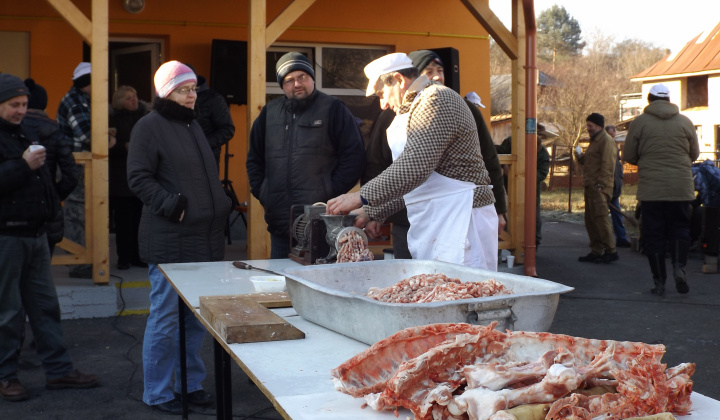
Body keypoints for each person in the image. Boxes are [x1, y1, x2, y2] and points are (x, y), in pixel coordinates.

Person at [327, 53, 498, 270]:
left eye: (382, 93)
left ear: (398, 80)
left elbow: (416, 166)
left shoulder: (436, 99)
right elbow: (420, 187)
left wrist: (361, 196)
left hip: (463, 218)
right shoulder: (411, 110)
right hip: (439, 218)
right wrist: (372, 212)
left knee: (466, 295)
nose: (382, 104)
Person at [127, 61, 232, 414]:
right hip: (171, 240)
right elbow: (139, 179)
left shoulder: (193, 125)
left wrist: (221, 202)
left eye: (193, 90)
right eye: (184, 90)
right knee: (166, 319)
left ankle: (189, 385)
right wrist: (175, 208)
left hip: (204, 241)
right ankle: (158, 392)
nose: (191, 96)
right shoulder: (148, 126)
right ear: (166, 92)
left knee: (195, 320)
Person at [0, 73, 99, 403]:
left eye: (24, 104)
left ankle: (58, 371)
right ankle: (6, 377)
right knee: (8, 312)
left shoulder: (25, 132)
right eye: (14, 105)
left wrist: (48, 202)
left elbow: (53, 180)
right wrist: (23, 165)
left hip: (36, 235)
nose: (21, 110)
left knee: (45, 307)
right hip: (7, 237)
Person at [246, 52, 366, 258]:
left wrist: (330, 191)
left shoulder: (333, 109)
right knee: (281, 284)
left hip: (322, 221)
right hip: (280, 223)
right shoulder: (269, 114)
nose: (297, 84)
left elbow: (354, 157)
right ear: (282, 85)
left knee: (320, 283)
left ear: (312, 78)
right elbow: (254, 160)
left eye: (302, 77)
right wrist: (263, 192)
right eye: (289, 80)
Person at [624, 83, 699, 296]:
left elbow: (629, 155)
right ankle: (678, 267)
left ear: (649, 99)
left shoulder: (639, 123)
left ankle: (659, 283)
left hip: (652, 190)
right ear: (668, 100)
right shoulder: (685, 122)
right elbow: (694, 154)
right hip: (681, 187)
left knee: (653, 234)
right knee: (680, 229)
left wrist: (647, 159)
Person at [22, 78, 78, 254]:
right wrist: (53, 195)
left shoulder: (10, 129)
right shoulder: (53, 129)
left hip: (13, 211)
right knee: (42, 271)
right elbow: (71, 174)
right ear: (44, 105)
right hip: (45, 209)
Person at [56, 62, 93, 278]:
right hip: (75, 165)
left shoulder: (80, 99)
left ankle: (82, 259)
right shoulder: (75, 102)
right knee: (77, 213)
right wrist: (107, 137)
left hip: (77, 165)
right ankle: (79, 263)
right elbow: (87, 135)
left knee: (80, 212)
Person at [109, 86, 149, 270]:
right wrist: (123, 147)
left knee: (140, 221)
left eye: (135, 96)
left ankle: (138, 256)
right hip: (120, 177)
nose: (134, 100)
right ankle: (124, 258)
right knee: (124, 222)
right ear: (119, 101)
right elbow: (105, 147)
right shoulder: (112, 119)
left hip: (142, 177)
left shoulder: (145, 118)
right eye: (128, 98)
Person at [496, 124, 551, 246]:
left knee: (532, 213)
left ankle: (534, 241)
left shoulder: (542, 152)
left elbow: (542, 172)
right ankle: (509, 240)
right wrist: (505, 166)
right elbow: (498, 154)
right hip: (510, 185)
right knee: (509, 212)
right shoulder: (511, 142)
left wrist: (525, 177)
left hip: (531, 187)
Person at [576, 113, 618, 264]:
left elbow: (608, 165)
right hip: (591, 186)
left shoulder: (606, 141)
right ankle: (596, 250)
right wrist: (580, 158)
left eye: (590, 126)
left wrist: (601, 185)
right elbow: (591, 162)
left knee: (600, 219)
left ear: (599, 126)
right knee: (591, 220)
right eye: (587, 125)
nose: (588, 129)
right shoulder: (595, 141)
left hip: (599, 187)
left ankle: (611, 251)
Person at [187, 65, 235, 168]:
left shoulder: (214, 99)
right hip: (178, 161)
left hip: (206, 160)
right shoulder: (174, 99)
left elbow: (227, 129)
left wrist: (203, 144)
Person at [605, 125, 631, 248]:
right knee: (602, 216)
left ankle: (621, 238)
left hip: (615, 188)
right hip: (605, 187)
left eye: (612, 136)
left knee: (617, 215)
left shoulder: (614, 148)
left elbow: (617, 171)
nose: (611, 138)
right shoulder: (605, 148)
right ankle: (604, 239)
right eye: (609, 136)